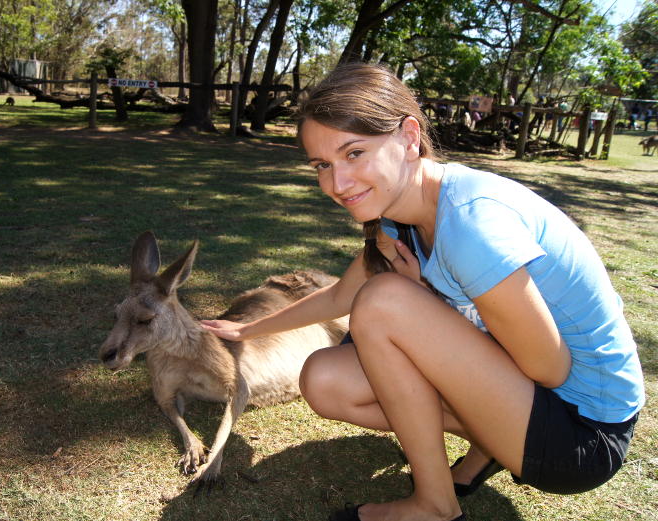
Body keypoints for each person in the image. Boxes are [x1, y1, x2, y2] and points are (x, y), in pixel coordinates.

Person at [201, 63, 644, 521]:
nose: (337, 184)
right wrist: (247, 329)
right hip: (531, 399)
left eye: (354, 153)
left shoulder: (471, 226)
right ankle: (489, 444)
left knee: (385, 301)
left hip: (580, 434)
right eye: (323, 165)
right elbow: (339, 298)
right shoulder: (398, 217)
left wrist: (425, 305)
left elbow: (550, 369)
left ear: (410, 137)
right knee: (325, 380)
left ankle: (434, 506)